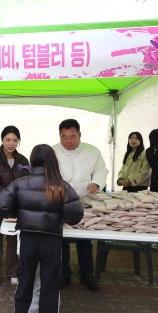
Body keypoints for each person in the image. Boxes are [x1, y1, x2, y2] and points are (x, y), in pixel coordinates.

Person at [0, 144, 84, 313]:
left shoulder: (20, 183)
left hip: (27, 239)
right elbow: (75, 215)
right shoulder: (61, 186)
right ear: (53, 161)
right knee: (49, 287)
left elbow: (1, 204)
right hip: (51, 241)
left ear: (32, 161)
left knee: (24, 281)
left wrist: (20, 211)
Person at [52, 119, 106, 291]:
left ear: (80, 135)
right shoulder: (52, 153)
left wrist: (96, 183)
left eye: (72, 137)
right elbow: (47, 175)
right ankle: (64, 274)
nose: (68, 141)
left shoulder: (92, 151)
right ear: (59, 136)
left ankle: (86, 273)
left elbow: (101, 170)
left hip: (85, 201)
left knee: (85, 239)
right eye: (64, 137)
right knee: (62, 239)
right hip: (61, 202)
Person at [0, 126, 29, 287]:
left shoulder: (23, 160)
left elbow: (27, 181)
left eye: (15, 140)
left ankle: (13, 271)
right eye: (8, 140)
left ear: (19, 141)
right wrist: (9, 193)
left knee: (14, 237)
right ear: (2, 140)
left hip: (17, 205)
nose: (11, 144)